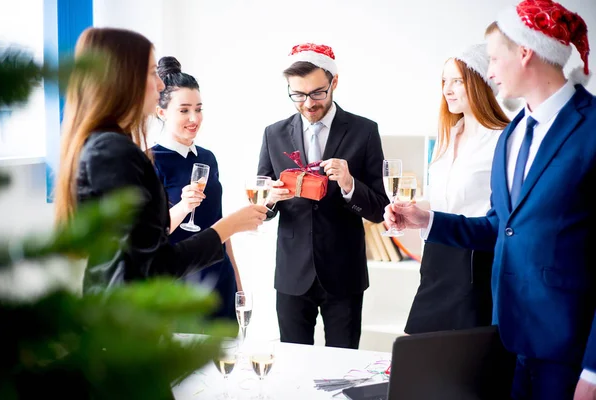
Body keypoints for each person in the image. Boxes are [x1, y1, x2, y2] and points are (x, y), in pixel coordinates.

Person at [384, 1, 596, 398]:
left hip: (567, 349)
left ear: (525, 52)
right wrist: (425, 220)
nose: (491, 70)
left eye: (495, 59)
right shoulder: (514, 135)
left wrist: (594, 370)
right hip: (505, 336)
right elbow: (500, 228)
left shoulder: (590, 128)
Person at [53, 27, 267, 293]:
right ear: (123, 79)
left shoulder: (111, 147)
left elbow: (144, 246)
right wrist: (229, 226)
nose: (161, 84)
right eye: (152, 72)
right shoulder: (114, 153)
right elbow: (153, 267)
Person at [257, 43, 389, 349]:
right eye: (298, 95)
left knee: (342, 369)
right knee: (292, 367)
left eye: (317, 93)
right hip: (292, 274)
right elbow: (260, 204)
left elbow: (381, 209)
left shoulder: (365, 131)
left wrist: (349, 184)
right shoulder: (272, 134)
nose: (308, 104)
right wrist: (270, 199)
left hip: (344, 274)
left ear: (335, 83)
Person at [404, 44, 512, 334]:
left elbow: (503, 218)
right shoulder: (447, 135)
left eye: (457, 81)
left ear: (480, 83)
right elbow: (442, 201)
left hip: (476, 262)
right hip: (436, 257)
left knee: (463, 362)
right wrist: (410, 214)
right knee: (420, 352)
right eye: (444, 81)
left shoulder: (504, 140)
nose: (447, 90)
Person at [151, 56, 242, 320]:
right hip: (180, 286)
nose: (194, 118)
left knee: (228, 357)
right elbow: (150, 237)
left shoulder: (208, 158)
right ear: (161, 112)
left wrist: (236, 281)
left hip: (220, 279)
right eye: (184, 110)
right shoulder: (150, 162)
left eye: (198, 109)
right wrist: (182, 207)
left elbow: (219, 224)